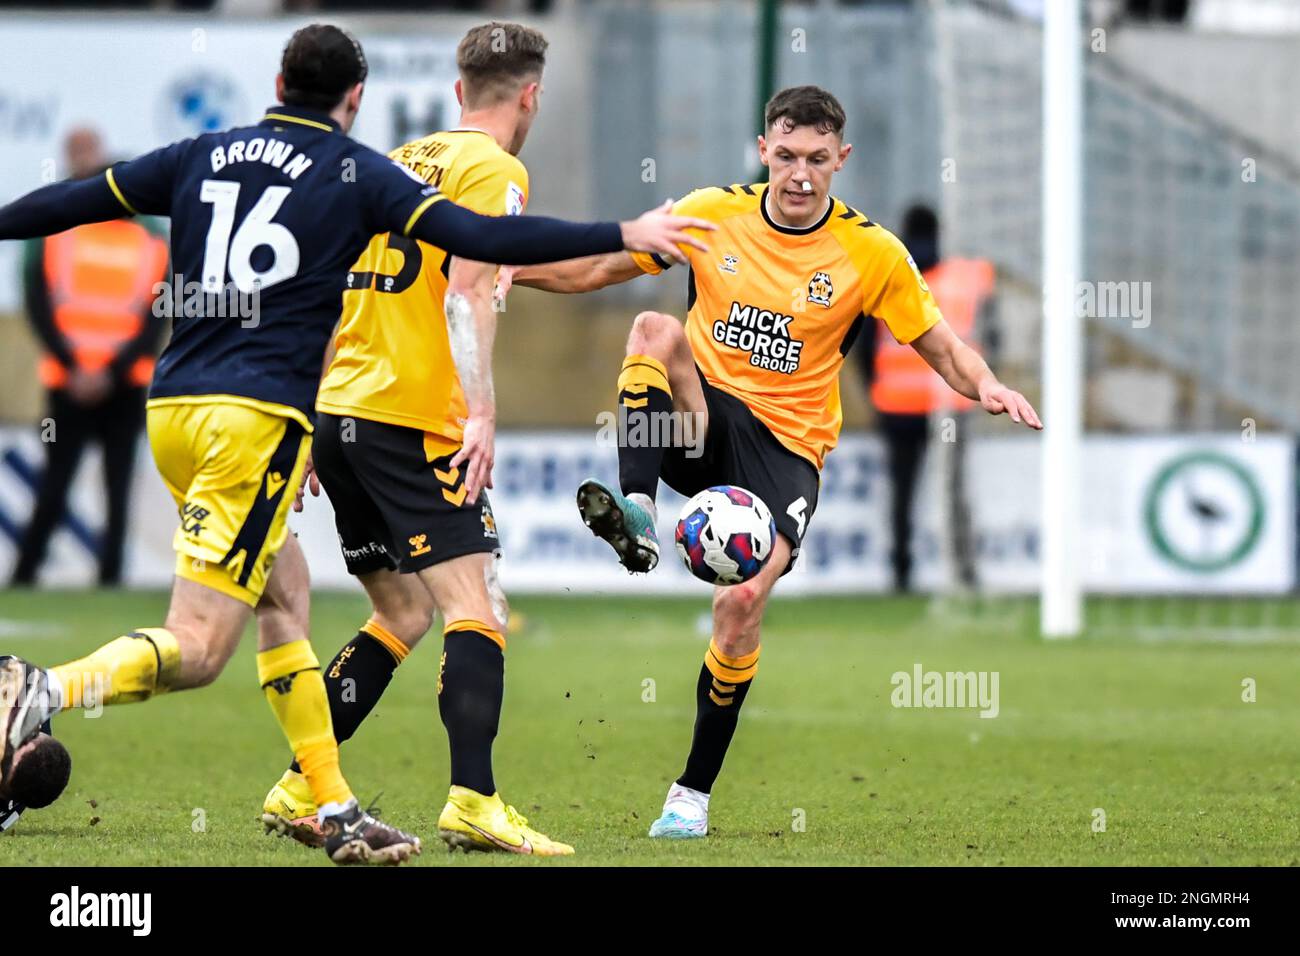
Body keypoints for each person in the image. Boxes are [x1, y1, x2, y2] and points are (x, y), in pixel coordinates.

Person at [0, 23, 712, 866]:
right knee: (422, 610)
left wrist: (627, 249)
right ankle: (42, 688)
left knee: (341, 603)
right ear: (355, 99)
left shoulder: (269, 155)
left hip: (229, 412)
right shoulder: (371, 173)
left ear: (277, 78)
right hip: (334, 419)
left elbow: (80, 200)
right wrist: (619, 232)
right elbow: (479, 266)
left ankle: (319, 794)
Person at [501, 85, 1041, 838]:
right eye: (785, 156)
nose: (798, 174)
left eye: (817, 160)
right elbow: (597, 270)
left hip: (788, 448)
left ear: (840, 161)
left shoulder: (871, 252)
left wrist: (986, 386)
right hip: (705, 419)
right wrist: (505, 267)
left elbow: (939, 343)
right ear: (763, 150)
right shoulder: (711, 214)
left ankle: (691, 793)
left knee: (741, 604)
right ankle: (638, 510)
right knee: (655, 326)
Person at [262, 21, 574, 857]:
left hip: (339, 416)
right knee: (476, 608)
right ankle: (474, 800)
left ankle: (303, 781)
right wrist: (482, 414)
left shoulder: (393, 161)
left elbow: (326, 291)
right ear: (531, 95)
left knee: (400, 609)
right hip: (411, 419)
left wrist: (303, 418)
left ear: (457, 85)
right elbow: (465, 294)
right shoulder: (496, 170)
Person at [11, 128, 168, 588]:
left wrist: (88, 369)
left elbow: (154, 312)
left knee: (86, 484)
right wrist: (97, 369)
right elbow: (156, 314)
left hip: (91, 380)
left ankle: (44, 576)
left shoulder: (66, 228)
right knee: (86, 484)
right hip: (94, 380)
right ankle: (85, 577)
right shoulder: (145, 236)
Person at [861, 204, 995, 592]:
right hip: (951, 402)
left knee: (903, 490)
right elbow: (990, 337)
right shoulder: (966, 277)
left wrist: (877, 386)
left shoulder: (887, 276)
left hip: (897, 403)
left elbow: (866, 346)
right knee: (955, 490)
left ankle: (901, 571)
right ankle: (965, 569)